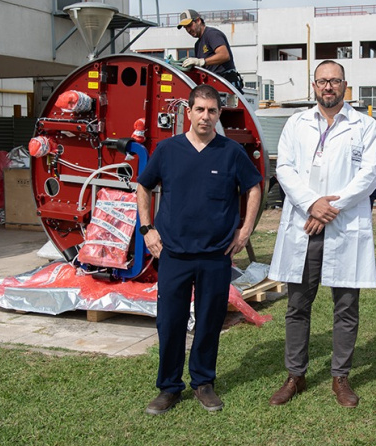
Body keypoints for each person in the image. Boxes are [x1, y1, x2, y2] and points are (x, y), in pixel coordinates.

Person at [136, 84, 262, 415]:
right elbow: (143, 185)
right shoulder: (167, 150)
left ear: (219, 114)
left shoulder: (231, 152)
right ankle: (169, 388)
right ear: (188, 112)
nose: (205, 116)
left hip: (215, 255)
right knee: (170, 322)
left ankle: (204, 383)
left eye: (212, 111)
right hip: (174, 253)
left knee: (209, 320)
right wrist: (148, 228)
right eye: (200, 110)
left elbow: (253, 187)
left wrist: (246, 229)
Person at [268, 60, 376, 408]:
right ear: (313, 85)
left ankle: (340, 377)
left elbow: (370, 173)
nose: (328, 86)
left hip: (343, 225)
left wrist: (331, 208)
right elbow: (284, 168)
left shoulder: (365, 125)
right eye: (322, 81)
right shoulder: (296, 123)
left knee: (346, 306)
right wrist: (311, 203)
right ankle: (295, 376)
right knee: (298, 305)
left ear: (345, 85)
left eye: (334, 81)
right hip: (305, 224)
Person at [177, 9, 245, 91]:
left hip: (225, 84)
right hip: (212, 86)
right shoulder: (198, 45)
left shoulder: (212, 34)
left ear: (198, 21)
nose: (188, 30)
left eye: (189, 25)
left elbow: (224, 55)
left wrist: (201, 61)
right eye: (185, 28)